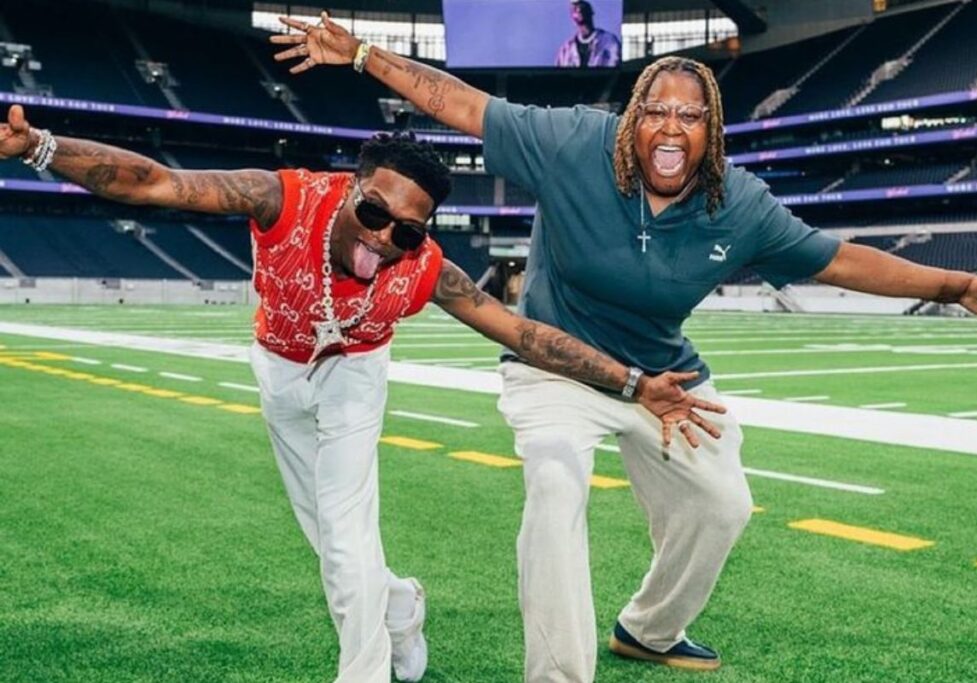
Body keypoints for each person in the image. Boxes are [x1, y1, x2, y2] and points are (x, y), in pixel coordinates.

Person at [274, 17, 977, 681]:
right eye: (656, 111)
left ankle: (649, 628)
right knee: (556, 483)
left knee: (723, 503)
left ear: (712, 129)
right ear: (633, 118)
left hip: (664, 375)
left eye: (690, 116)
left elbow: (837, 260)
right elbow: (460, 104)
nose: (671, 128)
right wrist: (364, 52)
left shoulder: (740, 203)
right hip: (553, 367)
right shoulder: (573, 142)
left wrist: (960, 285)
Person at [0, 105, 727, 682]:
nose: (383, 239)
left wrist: (631, 381)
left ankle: (366, 670)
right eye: (375, 213)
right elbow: (156, 182)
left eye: (407, 231)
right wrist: (41, 149)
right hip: (279, 368)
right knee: (327, 540)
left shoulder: (424, 267)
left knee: (347, 537)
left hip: (355, 373)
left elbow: (522, 332)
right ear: (352, 187)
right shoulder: (282, 200)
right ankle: (402, 605)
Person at [555, 0, 621, 68]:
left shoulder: (609, 42)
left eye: (582, 6)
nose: (579, 9)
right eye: (575, 8)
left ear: (591, 11)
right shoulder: (566, 50)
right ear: (571, 15)